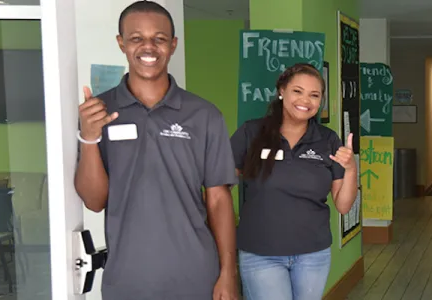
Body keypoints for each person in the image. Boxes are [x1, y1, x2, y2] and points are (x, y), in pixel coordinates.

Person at [74, 1, 238, 299]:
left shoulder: (204, 115)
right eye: (136, 38)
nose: (148, 47)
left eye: (159, 38)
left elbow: (218, 200)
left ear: (172, 45)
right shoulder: (98, 112)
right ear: (121, 43)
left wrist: (228, 273)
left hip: (197, 276)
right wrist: (88, 138)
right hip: (127, 280)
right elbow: (94, 201)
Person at [230, 63, 359, 300]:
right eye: (297, 91)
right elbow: (220, 182)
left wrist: (351, 169)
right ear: (282, 91)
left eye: (314, 95)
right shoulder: (252, 133)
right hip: (261, 252)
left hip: (313, 254)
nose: (305, 100)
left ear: (320, 101)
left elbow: (343, 205)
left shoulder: (327, 139)